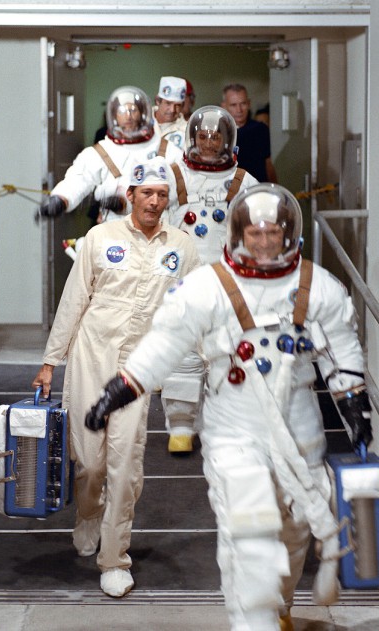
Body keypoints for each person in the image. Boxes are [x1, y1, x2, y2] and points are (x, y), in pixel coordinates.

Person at [84, 183, 373, 630]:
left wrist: (354, 405)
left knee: (293, 531)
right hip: (234, 427)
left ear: (287, 234)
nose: (262, 241)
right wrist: (121, 388)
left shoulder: (317, 287)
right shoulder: (208, 286)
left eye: (271, 232)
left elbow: (345, 349)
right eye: (253, 234)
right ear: (238, 235)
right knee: (250, 527)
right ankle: (251, 620)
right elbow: (164, 345)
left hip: (299, 427)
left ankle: (279, 607)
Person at [32, 157, 201, 599]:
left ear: (168, 201)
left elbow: (198, 310)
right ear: (130, 196)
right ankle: (89, 512)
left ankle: (114, 559)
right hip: (91, 357)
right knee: (90, 462)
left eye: (162, 195)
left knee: (126, 465)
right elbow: (73, 300)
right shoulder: (99, 237)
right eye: (147, 193)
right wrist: (51, 361)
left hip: (137, 371)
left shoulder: (182, 247)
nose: (154, 202)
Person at [162, 105, 258, 453]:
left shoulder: (243, 181)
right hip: (181, 283)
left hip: (226, 285)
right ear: (192, 138)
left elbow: (259, 228)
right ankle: (181, 427)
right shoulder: (173, 175)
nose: (207, 142)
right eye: (202, 136)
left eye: (215, 136)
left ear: (227, 141)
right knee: (183, 360)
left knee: (224, 358)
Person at [38, 85, 182, 222]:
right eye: (122, 111)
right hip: (114, 231)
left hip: (158, 229)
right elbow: (78, 179)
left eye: (133, 110)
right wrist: (61, 199)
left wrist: (125, 202)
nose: (129, 116)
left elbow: (179, 191)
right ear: (114, 115)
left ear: (142, 113)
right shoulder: (101, 152)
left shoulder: (166, 150)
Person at [221, 84, 277, 184]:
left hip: (258, 191)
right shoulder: (217, 134)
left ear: (249, 104)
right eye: (233, 105)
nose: (239, 110)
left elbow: (268, 163)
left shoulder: (260, 129)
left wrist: (276, 190)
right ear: (224, 106)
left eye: (243, 104)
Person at [152, 76, 188, 150]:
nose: (172, 110)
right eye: (168, 103)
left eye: (178, 105)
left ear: (183, 106)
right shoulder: (141, 121)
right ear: (157, 101)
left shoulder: (186, 130)